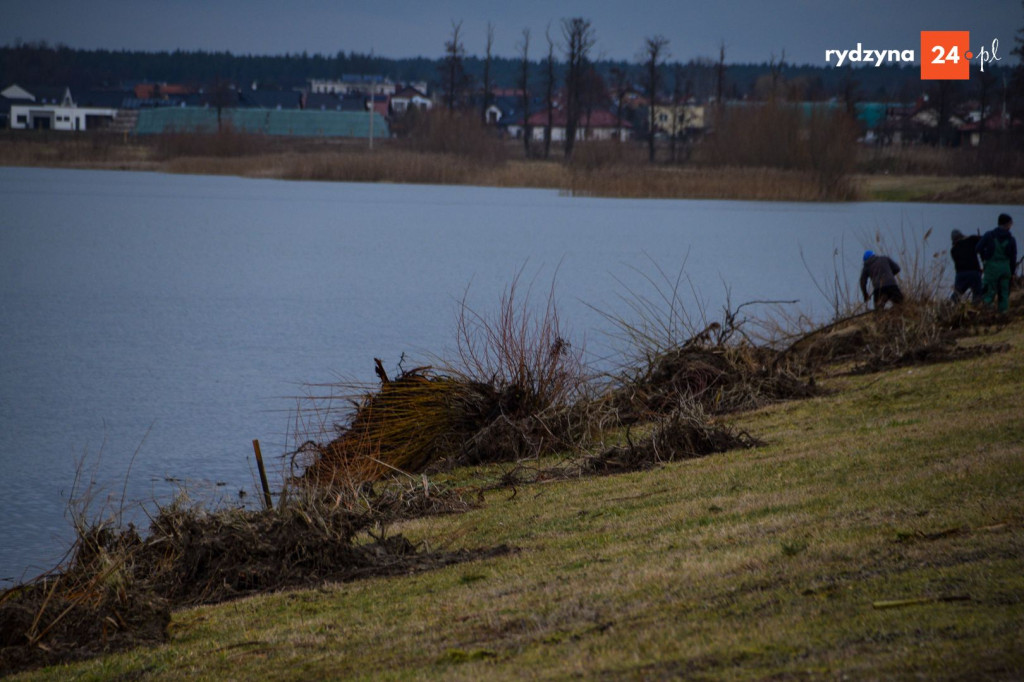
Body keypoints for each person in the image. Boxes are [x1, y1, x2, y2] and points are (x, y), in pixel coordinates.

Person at [976, 213, 1017, 313]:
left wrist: (984, 258)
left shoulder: (989, 235)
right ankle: (1003, 314)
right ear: (1007, 224)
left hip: (991, 268)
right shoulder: (1011, 239)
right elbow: (1013, 258)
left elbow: (977, 248)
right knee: (1004, 293)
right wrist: (1012, 272)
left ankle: (987, 313)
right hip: (1005, 269)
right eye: (1010, 224)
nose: (1011, 226)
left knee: (989, 292)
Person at [949, 229, 982, 301]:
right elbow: (983, 240)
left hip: (961, 274)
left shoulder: (953, 250)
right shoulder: (971, 240)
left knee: (957, 294)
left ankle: (950, 306)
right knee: (977, 293)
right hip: (973, 272)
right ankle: (976, 308)